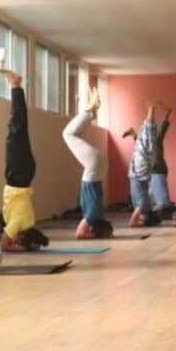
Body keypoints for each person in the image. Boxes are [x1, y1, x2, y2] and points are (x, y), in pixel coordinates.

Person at [0, 69, 49, 252]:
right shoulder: (20, 222)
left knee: (17, 128)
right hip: (19, 176)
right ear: (21, 238)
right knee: (16, 128)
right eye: (18, 240)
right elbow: (4, 245)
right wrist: (21, 249)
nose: (14, 240)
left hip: (23, 176)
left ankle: (16, 86)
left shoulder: (28, 221)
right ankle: (16, 85)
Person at [63, 88, 113, 239]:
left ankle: (93, 110)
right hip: (94, 167)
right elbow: (80, 234)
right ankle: (90, 109)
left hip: (99, 167)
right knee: (68, 134)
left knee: (74, 135)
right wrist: (93, 236)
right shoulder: (91, 216)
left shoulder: (99, 214)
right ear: (93, 229)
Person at [122, 101, 164, 227]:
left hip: (140, 172)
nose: (139, 219)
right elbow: (136, 221)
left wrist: (139, 223)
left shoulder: (143, 206)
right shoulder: (144, 206)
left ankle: (151, 110)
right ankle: (136, 133)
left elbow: (132, 223)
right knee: (144, 147)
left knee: (147, 146)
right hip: (138, 173)